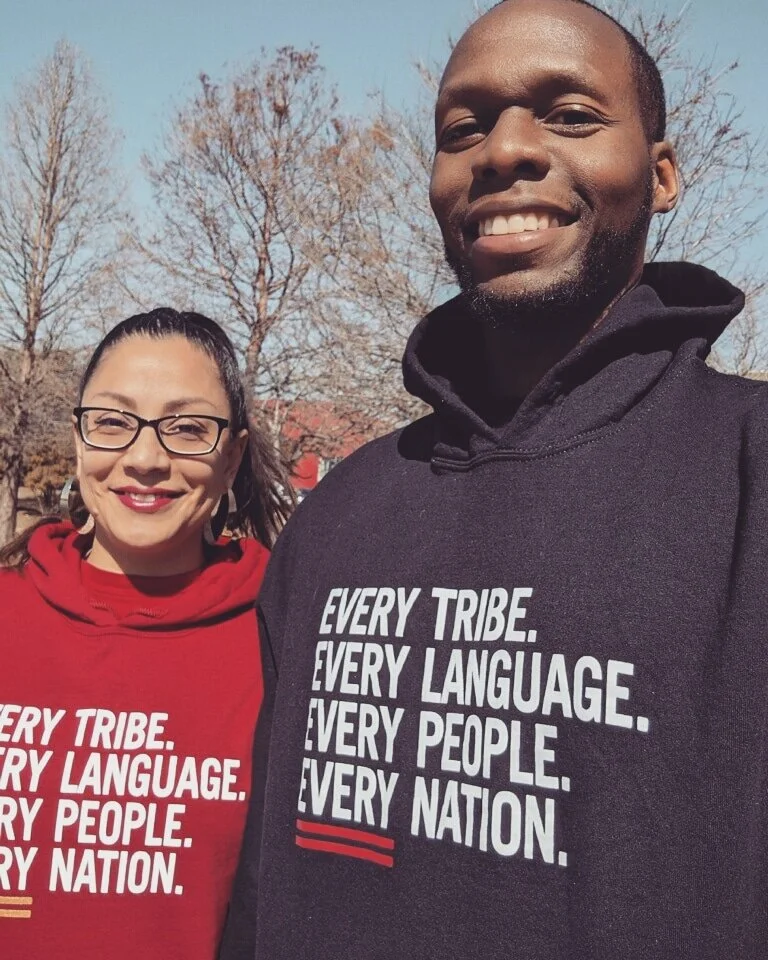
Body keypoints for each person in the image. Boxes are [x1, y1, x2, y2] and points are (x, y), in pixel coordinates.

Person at [220, 1, 768, 958]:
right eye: (462, 128)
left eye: (569, 114)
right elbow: (262, 896)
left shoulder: (748, 477)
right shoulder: (338, 517)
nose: (505, 148)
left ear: (663, 172)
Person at [0, 308, 292, 960]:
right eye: (112, 422)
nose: (145, 458)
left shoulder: (287, 640)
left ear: (233, 454)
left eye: (188, 428)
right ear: (79, 438)